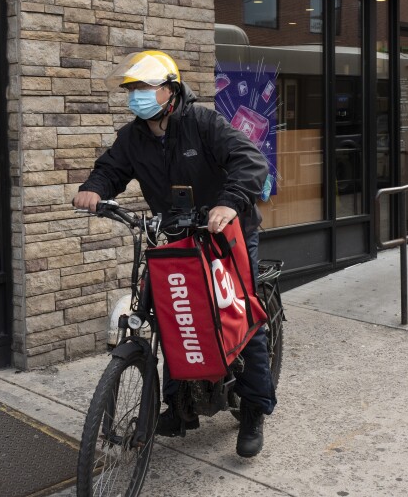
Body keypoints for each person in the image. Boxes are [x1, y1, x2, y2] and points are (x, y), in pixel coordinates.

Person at [72, 50, 276, 458]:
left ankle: (254, 409)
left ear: (170, 90)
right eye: (133, 90)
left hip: (228, 232)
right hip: (175, 234)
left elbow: (250, 161)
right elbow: (111, 168)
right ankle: (179, 408)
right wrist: (95, 187)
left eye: (145, 88)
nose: (137, 97)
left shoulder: (202, 123)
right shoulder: (133, 136)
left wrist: (229, 202)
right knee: (172, 314)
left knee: (239, 315)